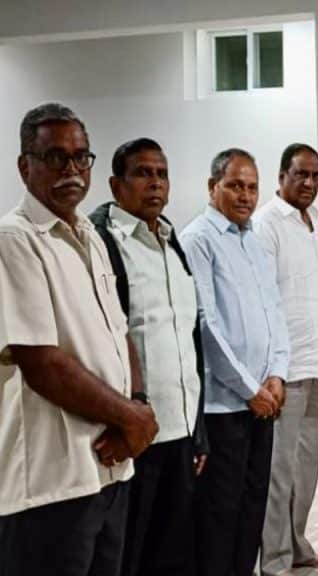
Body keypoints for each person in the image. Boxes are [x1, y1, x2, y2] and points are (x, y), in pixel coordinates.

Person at [0, 103, 158, 576]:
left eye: (80, 157)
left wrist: (137, 404)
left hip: (110, 467)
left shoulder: (90, 233)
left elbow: (119, 332)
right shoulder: (15, 239)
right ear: (24, 166)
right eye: (55, 157)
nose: (70, 169)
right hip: (52, 483)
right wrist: (131, 418)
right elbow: (41, 362)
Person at [89, 137, 208, 576]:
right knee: (128, 556)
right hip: (134, 434)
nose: (155, 183)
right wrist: (119, 420)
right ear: (115, 184)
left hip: (180, 430)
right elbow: (98, 343)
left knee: (174, 555)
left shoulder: (171, 242)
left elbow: (189, 338)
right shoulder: (103, 241)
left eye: (161, 174)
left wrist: (198, 429)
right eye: (142, 173)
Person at [181, 148, 289, 576]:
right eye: (235, 186)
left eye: (252, 187)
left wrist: (277, 374)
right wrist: (250, 389)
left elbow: (274, 311)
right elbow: (205, 325)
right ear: (213, 187)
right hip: (224, 407)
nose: (245, 196)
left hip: (264, 402)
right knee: (219, 515)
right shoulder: (198, 240)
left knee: (252, 508)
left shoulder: (254, 241)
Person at [254, 143, 318, 575]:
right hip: (287, 368)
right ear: (281, 176)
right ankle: (273, 558)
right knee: (280, 470)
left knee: (307, 468)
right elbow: (265, 300)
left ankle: (298, 544)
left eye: (315, 176)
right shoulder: (267, 224)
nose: (309, 183)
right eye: (301, 175)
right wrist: (272, 369)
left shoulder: (314, 222)